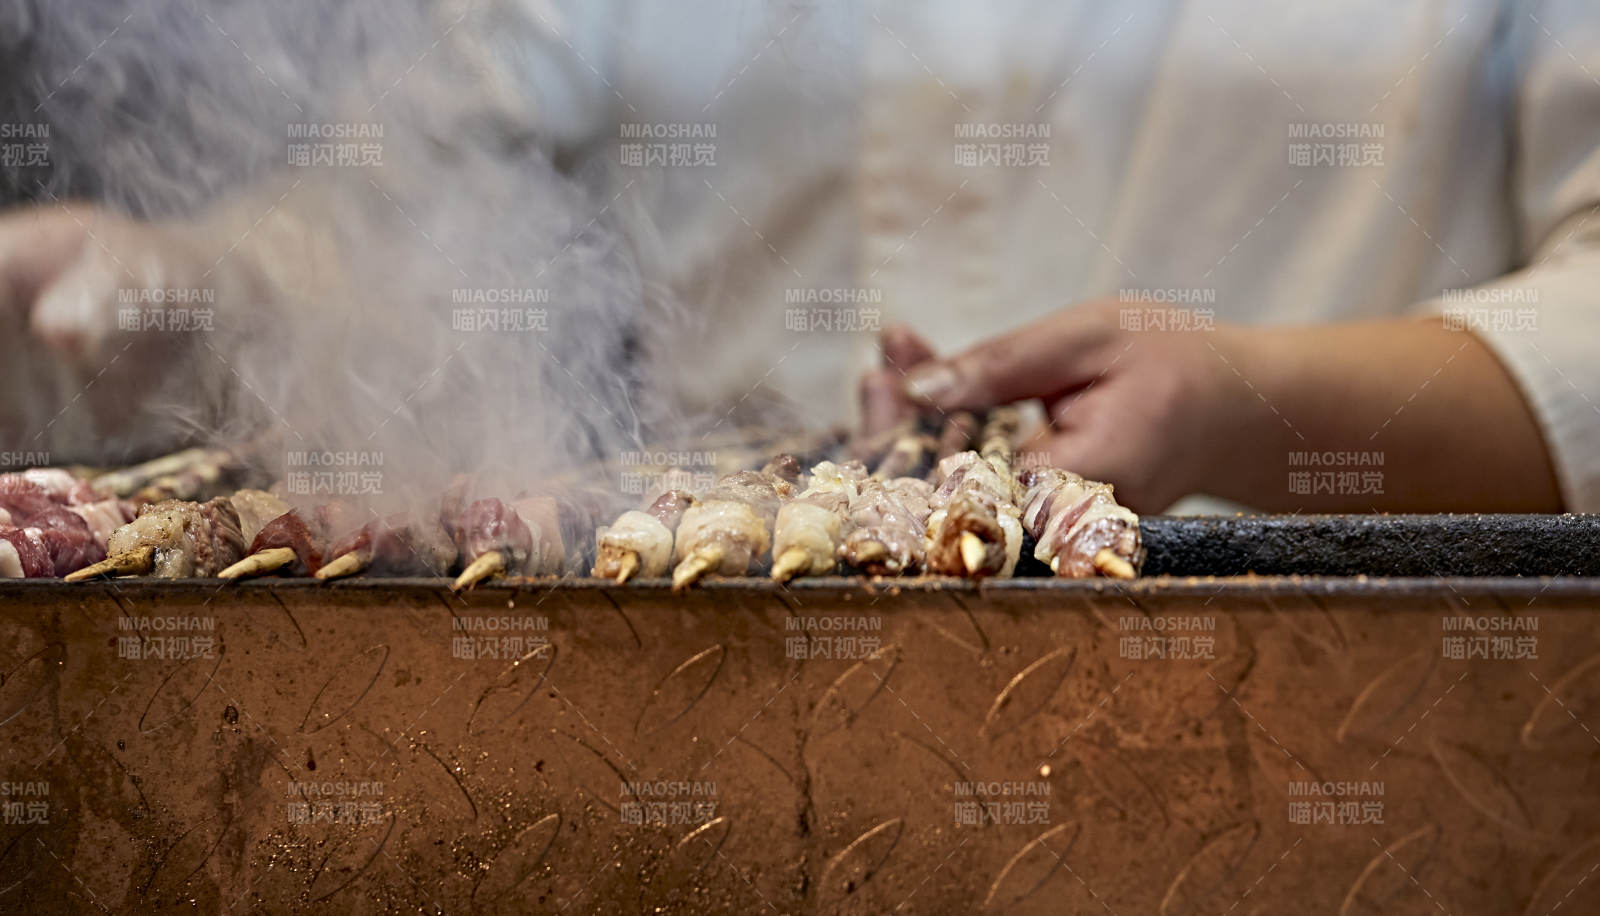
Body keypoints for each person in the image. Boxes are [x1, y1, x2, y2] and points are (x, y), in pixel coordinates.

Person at [1, 0, 1595, 514]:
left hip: (1330, 719)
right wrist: (182, 287)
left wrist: (1254, 399)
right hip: (737, 698)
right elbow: (411, 202)